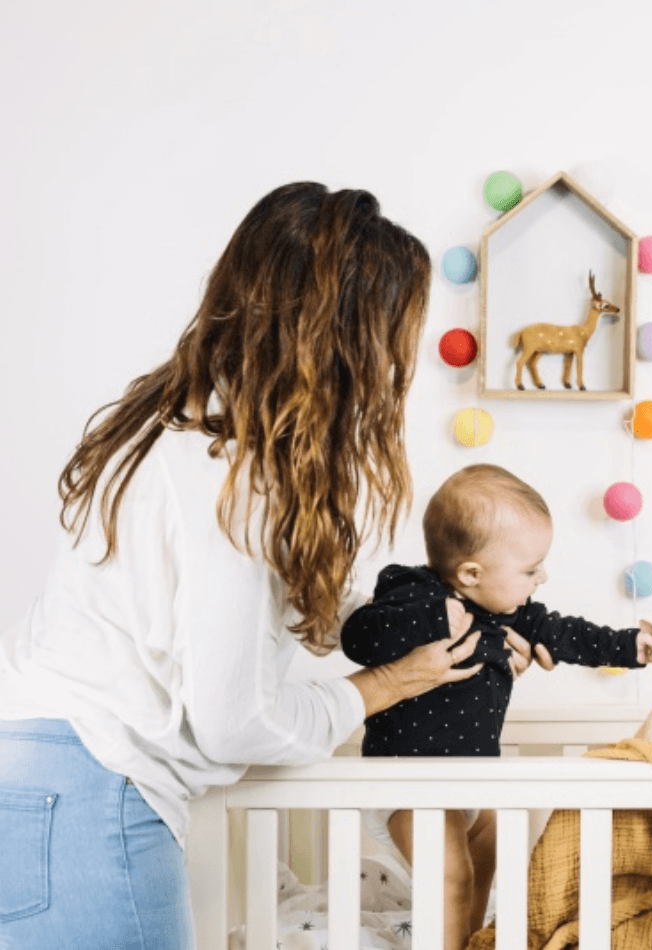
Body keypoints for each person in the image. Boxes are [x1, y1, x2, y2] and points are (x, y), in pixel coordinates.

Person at [0, 184, 539, 950]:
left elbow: (294, 602)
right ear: (342, 340)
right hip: (90, 792)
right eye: (392, 337)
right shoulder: (238, 480)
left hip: (35, 771)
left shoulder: (180, 433)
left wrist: (451, 630)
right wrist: (390, 683)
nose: (398, 364)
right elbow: (234, 722)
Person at [341, 463, 652, 950]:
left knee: (492, 843)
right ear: (471, 573)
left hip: (471, 782)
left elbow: (572, 635)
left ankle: (468, 939)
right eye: (529, 569)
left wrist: (633, 647)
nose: (542, 576)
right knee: (450, 875)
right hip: (411, 780)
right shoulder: (412, 592)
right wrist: (432, 618)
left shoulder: (514, 614)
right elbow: (360, 636)